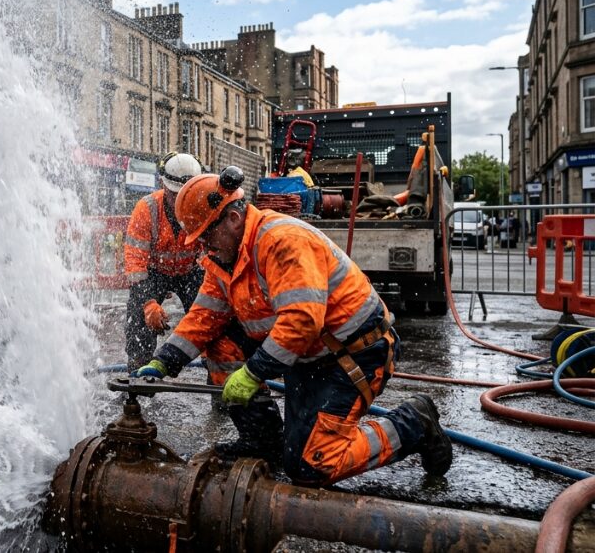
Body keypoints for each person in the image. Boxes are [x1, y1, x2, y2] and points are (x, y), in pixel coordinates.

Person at [134, 167, 453, 487]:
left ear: (232, 218)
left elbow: (301, 321)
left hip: (354, 355)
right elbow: (204, 317)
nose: (203, 246)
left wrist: (253, 372)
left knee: (311, 465)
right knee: (220, 343)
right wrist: (163, 362)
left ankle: (414, 422)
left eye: (205, 235)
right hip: (310, 355)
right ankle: (263, 442)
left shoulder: (280, 240)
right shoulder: (224, 258)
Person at [123, 152, 203, 368]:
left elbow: (213, 256)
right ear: (164, 186)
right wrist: (148, 303)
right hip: (155, 273)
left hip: (191, 272)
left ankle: (217, 369)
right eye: (174, 194)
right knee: (139, 321)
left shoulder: (203, 208)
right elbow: (135, 263)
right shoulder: (147, 209)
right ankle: (138, 370)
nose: (180, 201)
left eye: (186, 195)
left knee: (212, 318)